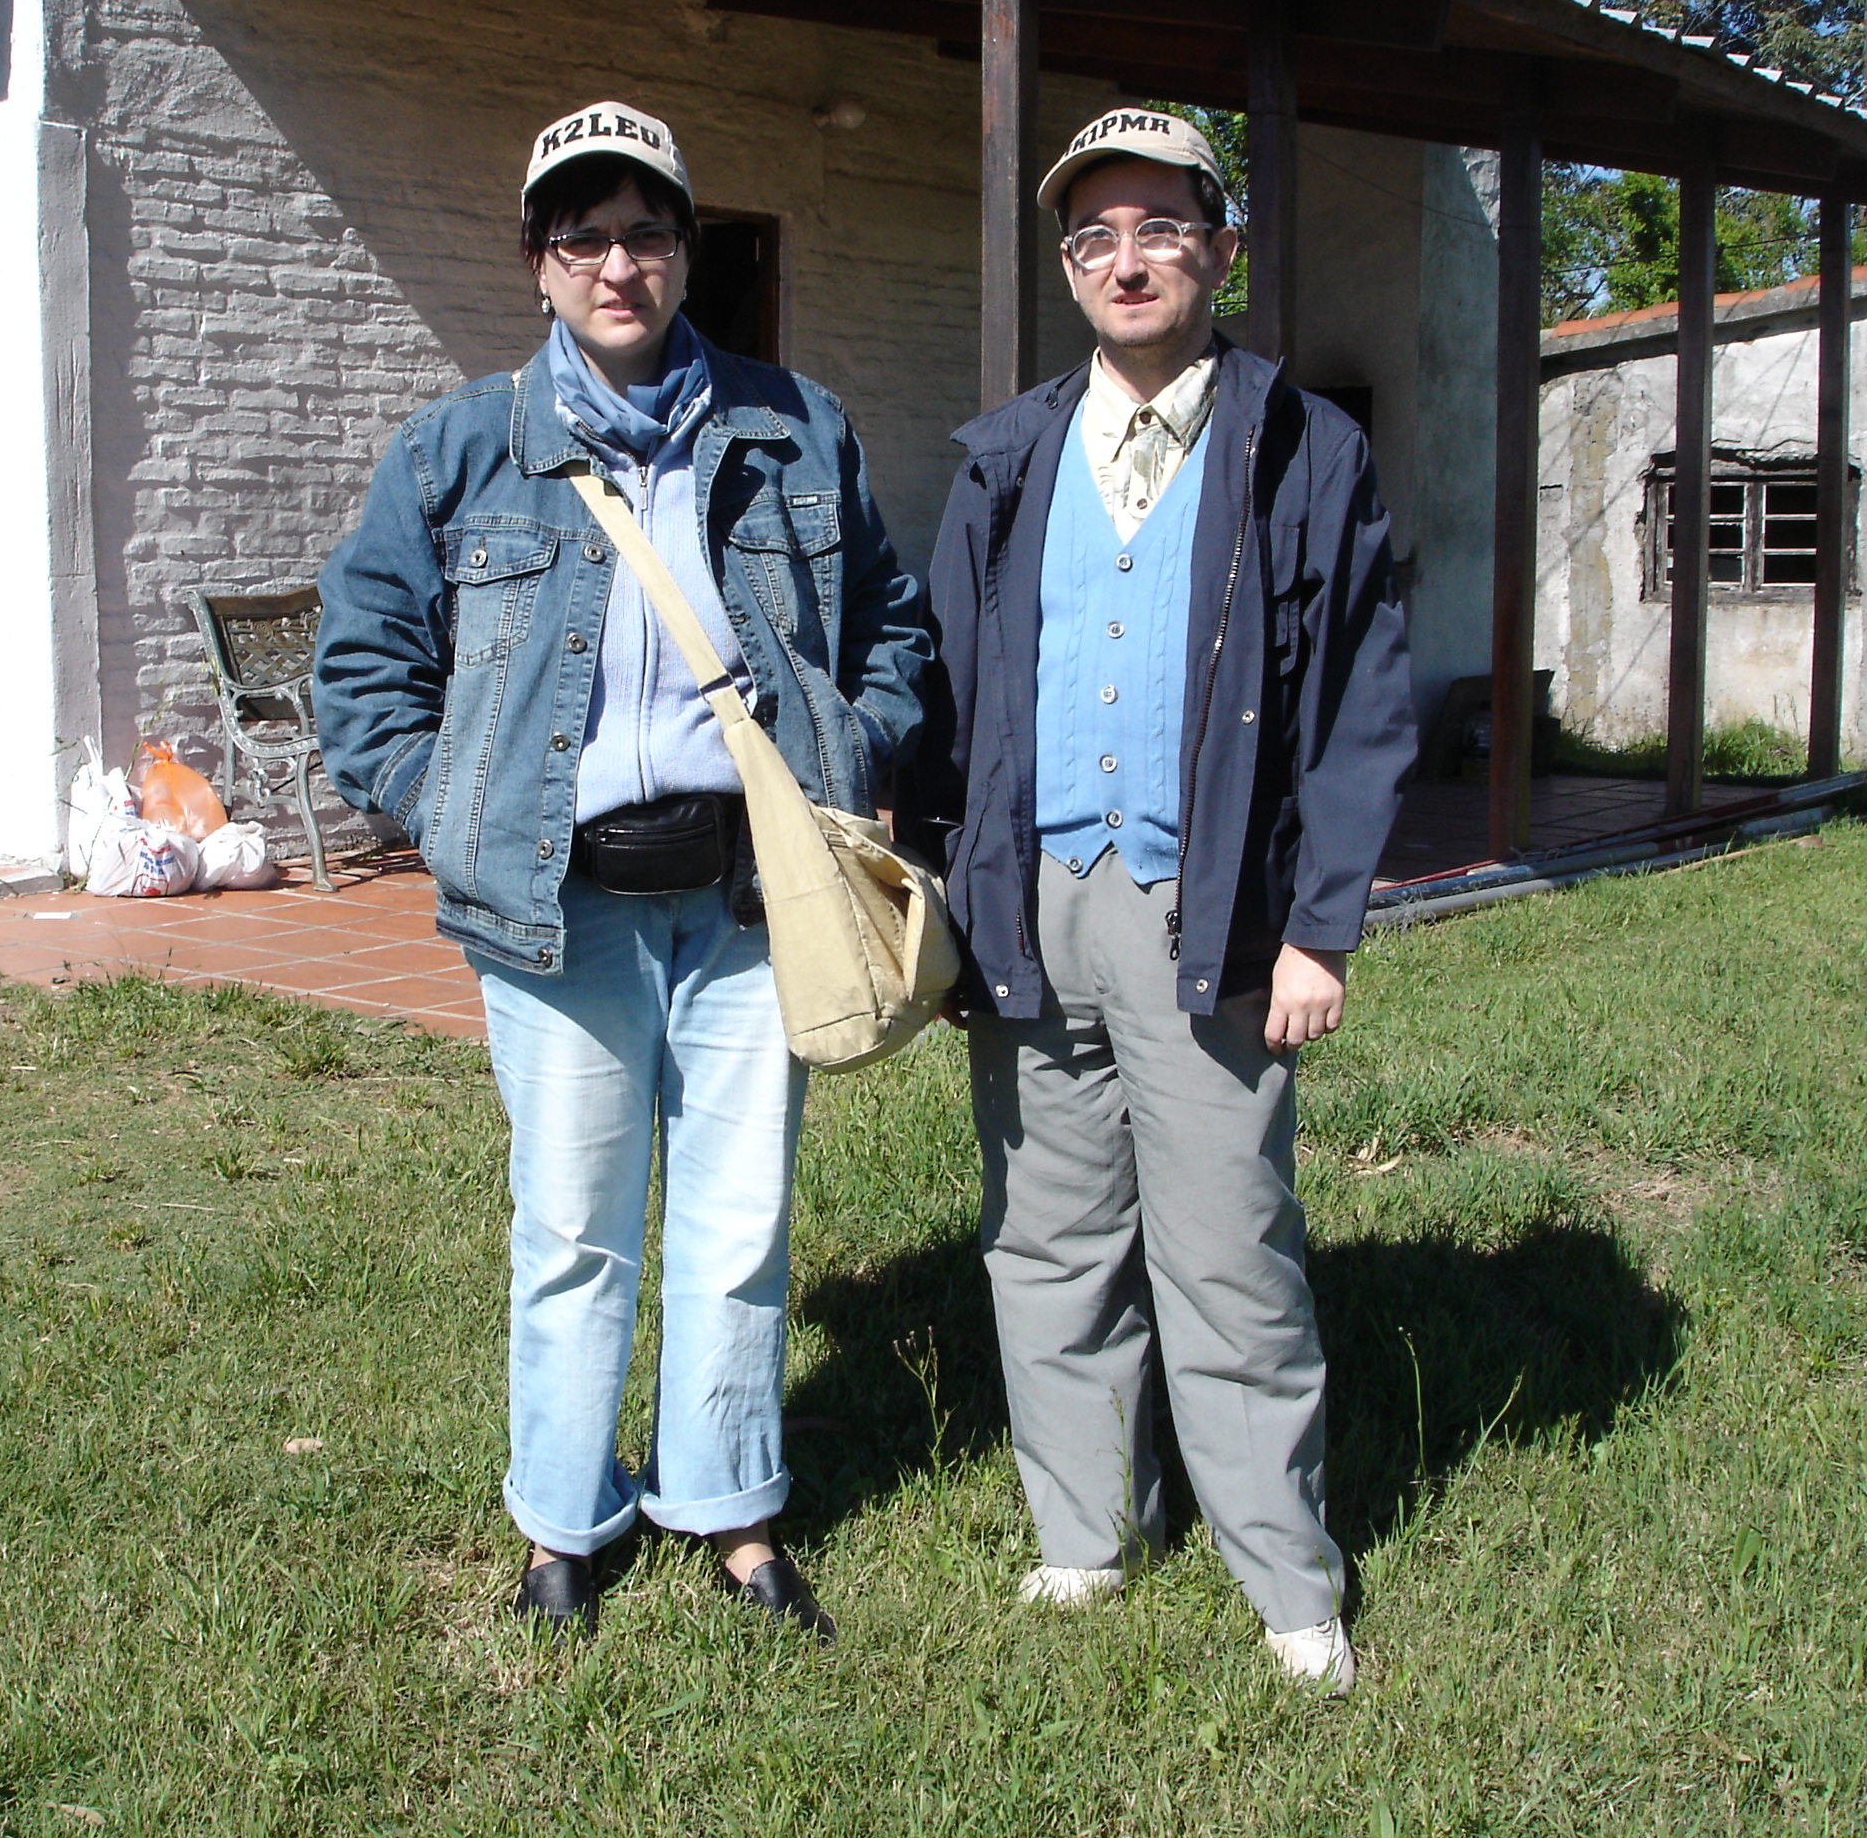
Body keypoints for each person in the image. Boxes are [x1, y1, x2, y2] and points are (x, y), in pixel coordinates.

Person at [313, 102, 928, 1643]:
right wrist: (447, 803)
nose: (616, 265)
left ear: (685, 253)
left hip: (747, 904)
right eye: (580, 238)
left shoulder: (797, 428)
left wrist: (854, 745)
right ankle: (563, 1524)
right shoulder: (459, 447)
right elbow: (362, 665)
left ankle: (731, 1510)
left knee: (739, 1218)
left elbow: (893, 625)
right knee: (575, 1229)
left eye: (645, 233)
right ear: (537, 263)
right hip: (557, 908)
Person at [905, 109, 1416, 1693]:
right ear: (1069, 268)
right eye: (1094, 237)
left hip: (1209, 910)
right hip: (1030, 898)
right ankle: (1086, 1532)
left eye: (1160, 229)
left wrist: (1319, 927)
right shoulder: (1005, 456)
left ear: (1221, 251)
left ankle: (1286, 1577)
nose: (1125, 262)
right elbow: (945, 695)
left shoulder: (1304, 447)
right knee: (1047, 1240)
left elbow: (1359, 703)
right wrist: (942, 893)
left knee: (1229, 1250)